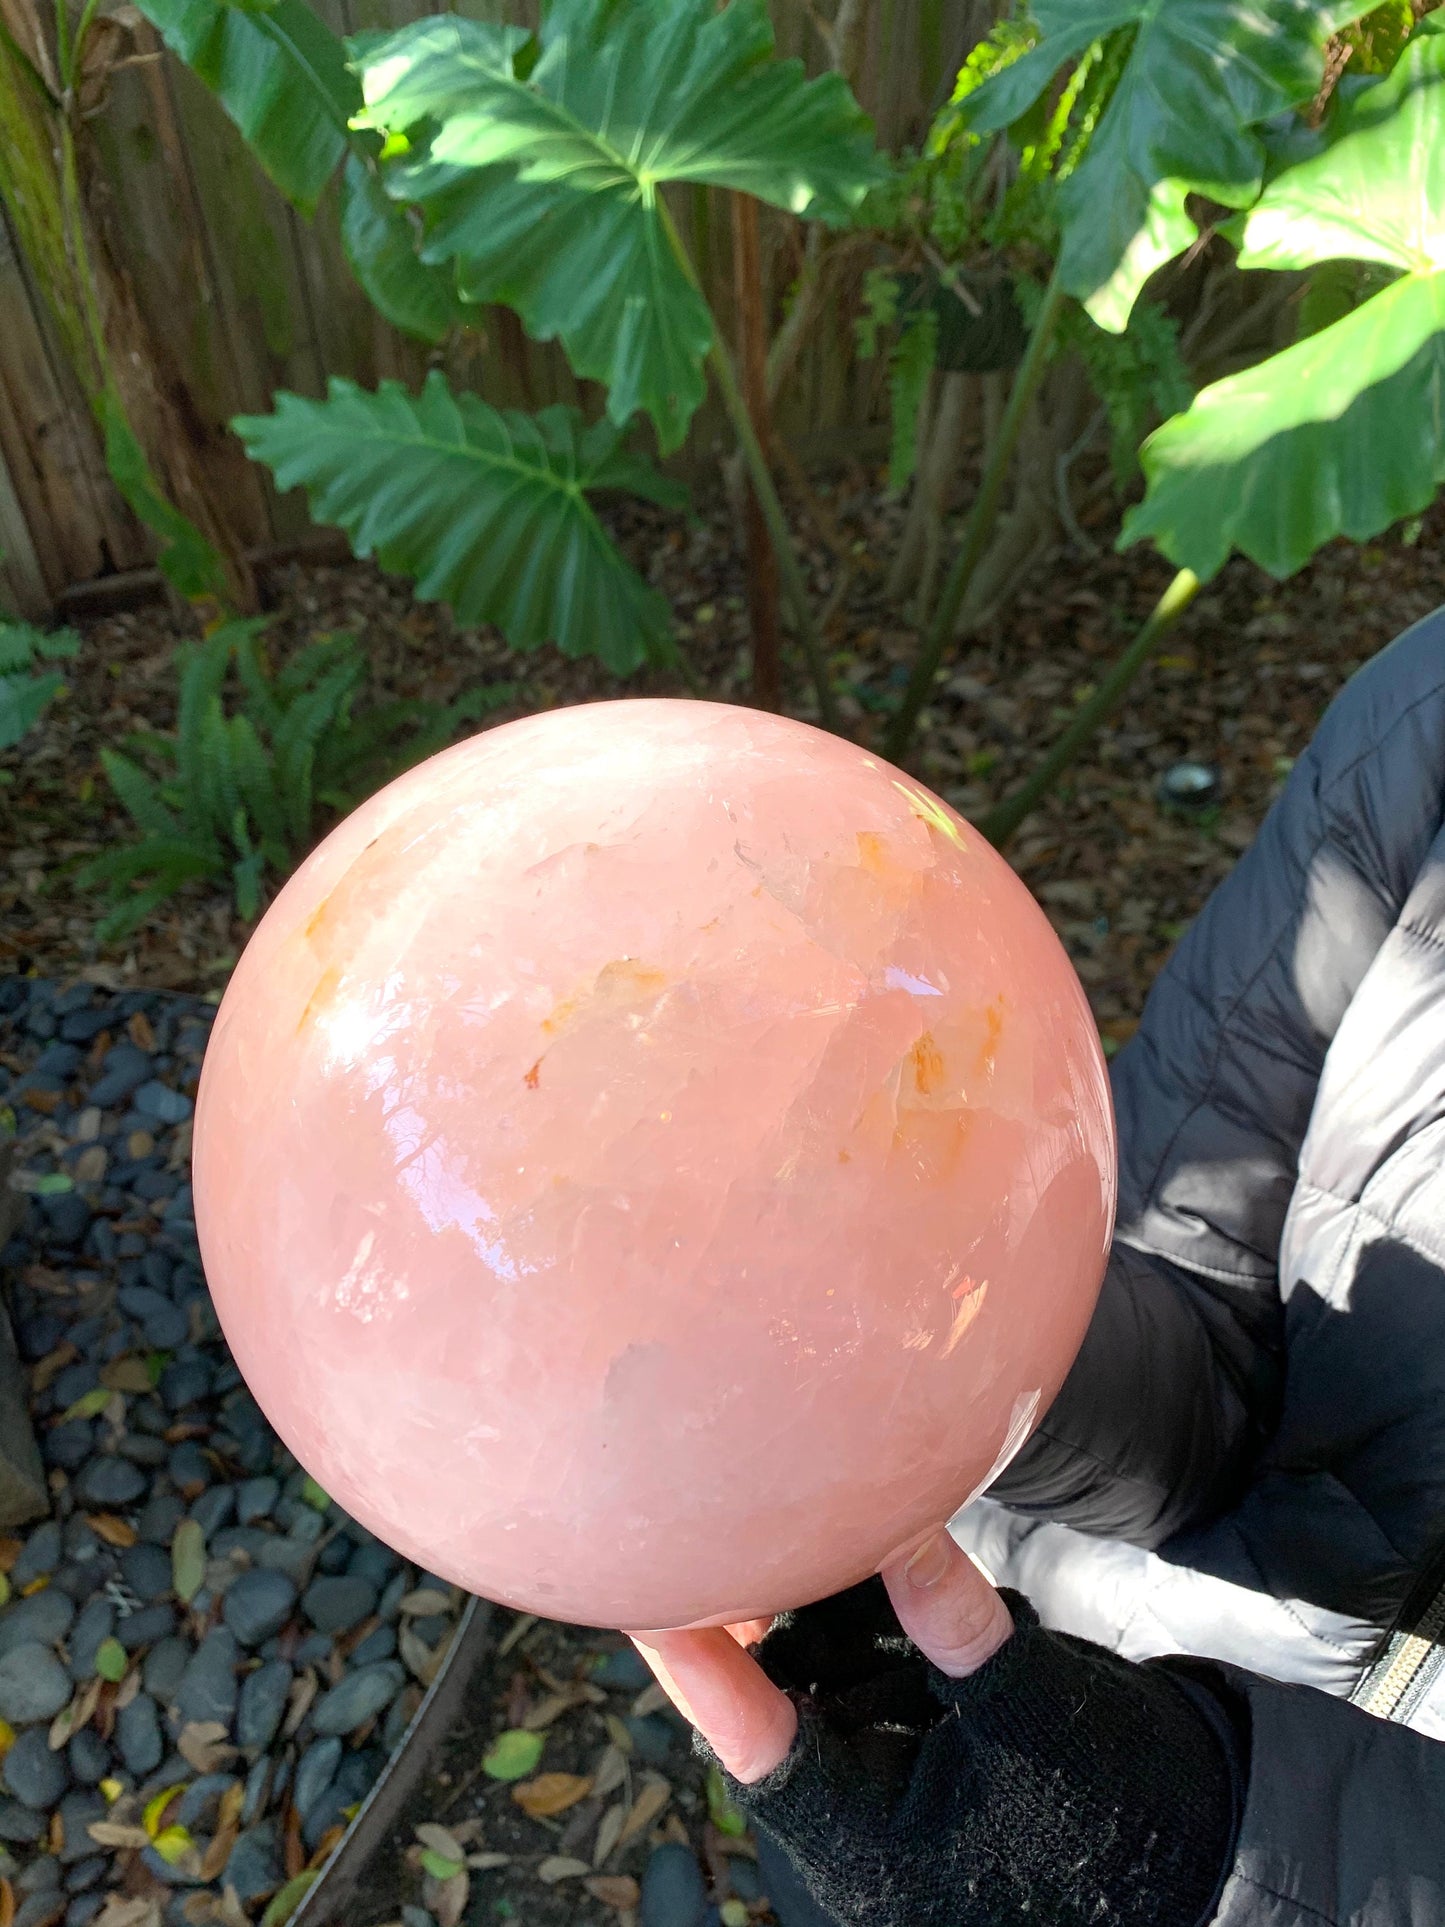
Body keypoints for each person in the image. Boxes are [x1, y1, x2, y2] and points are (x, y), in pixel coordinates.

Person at [631, 608, 1445, 1926]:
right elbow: (1201, 1300)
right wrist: (966, 1342)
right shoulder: (1430, 723)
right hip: (1044, 1643)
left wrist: (1188, 1860)